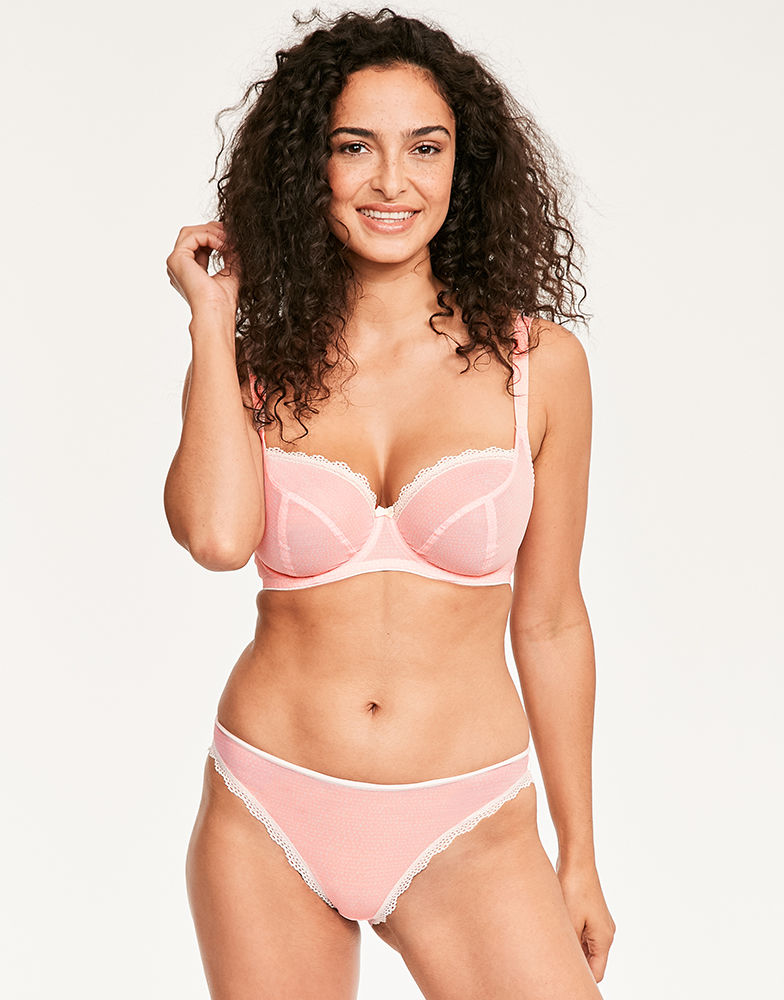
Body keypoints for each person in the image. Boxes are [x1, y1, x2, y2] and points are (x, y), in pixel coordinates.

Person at [164, 7, 615, 998]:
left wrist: (578, 849)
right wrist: (212, 321)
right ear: (309, 167)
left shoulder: (541, 367)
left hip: (469, 820)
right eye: (354, 147)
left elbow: (550, 620)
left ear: (464, 167)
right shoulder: (255, 369)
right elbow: (217, 536)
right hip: (268, 804)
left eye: (425, 147)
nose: (392, 181)